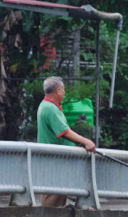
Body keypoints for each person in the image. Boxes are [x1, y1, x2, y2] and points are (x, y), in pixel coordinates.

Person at [37, 76, 96, 207]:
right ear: (58, 90)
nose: (64, 92)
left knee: (58, 190)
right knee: (54, 191)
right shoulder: (50, 109)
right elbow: (64, 132)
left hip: (53, 158)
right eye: (63, 89)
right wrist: (86, 141)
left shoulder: (46, 105)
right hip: (54, 159)